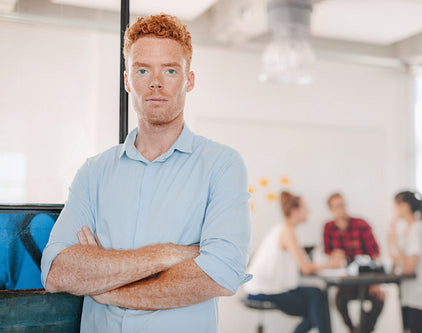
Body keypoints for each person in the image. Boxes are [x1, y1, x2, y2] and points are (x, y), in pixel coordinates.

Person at [40, 14, 252, 333]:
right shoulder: (94, 172)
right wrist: (169, 254)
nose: (156, 82)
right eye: (142, 70)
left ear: (189, 80)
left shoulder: (222, 165)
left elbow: (219, 273)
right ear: (128, 80)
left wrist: (107, 287)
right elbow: (58, 271)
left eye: (170, 70)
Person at [245, 191, 340, 333]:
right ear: (295, 211)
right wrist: (331, 264)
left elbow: (304, 263)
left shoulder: (285, 230)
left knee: (317, 295)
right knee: (316, 305)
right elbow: (305, 268)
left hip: (274, 287)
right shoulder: (286, 232)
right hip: (262, 290)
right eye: (305, 208)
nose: (308, 211)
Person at [323, 193, 385, 333]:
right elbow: (329, 255)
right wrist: (333, 258)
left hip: (366, 278)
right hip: (346, 281)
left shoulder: (361, 224)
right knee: (339, 300)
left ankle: (364, 330)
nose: (342, 209)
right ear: (331, 209)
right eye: (337, 206)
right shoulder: (328, 228)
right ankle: (351, 329)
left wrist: (376, 282)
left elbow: (375, 254)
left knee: (379, 298)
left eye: (343, 205)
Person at [388, 191, 422, 333]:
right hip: (409, 294)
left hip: (418, 293)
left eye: (395, 205)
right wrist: (392, 235)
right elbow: (396, 260)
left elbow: (408, 267)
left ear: (405, 206)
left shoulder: (416, 229)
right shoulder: (408, 229)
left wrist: (395, 242)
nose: (393, 209)